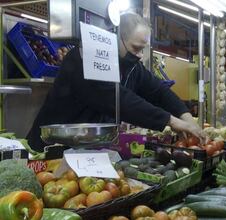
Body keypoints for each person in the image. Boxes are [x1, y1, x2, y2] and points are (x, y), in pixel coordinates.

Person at [27, 13, 205, 151]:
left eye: (143, 49)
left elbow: (158, 91)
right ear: (116, 37)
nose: (140, 56)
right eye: (136, 48)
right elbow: (119, 99)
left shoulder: (132, 66)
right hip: (50, 149)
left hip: (86, 149)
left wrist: (187, 118)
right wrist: (171, 121)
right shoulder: (85, 59)